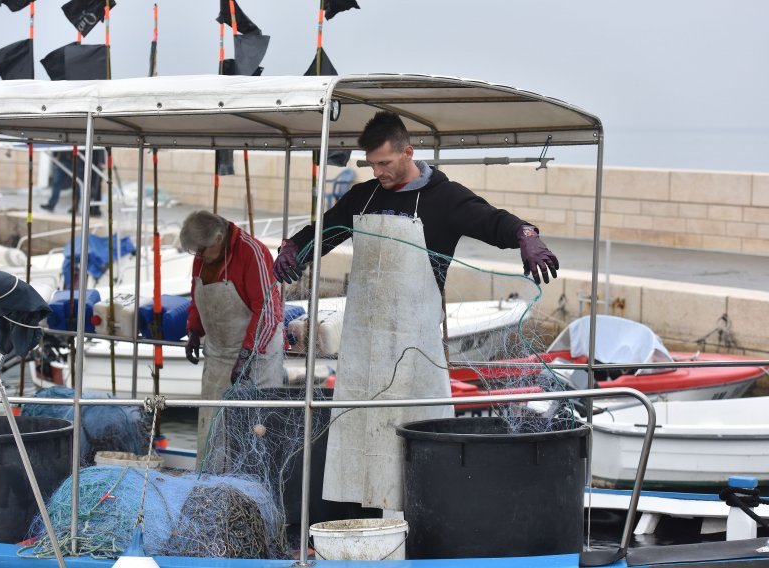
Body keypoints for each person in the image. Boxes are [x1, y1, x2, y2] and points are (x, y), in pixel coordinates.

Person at [273, 111, 559, 513]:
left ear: (408, 152)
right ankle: (364, 524)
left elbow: (493, 220)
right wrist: (294, 249)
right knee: (360, 444)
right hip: (363, 351)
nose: (378, 171)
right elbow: (326, 232)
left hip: (414, 351)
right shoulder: (365, 196)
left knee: (410, 447)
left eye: (385, 163)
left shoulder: (446, 198)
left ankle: (414, 523)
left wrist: (526, 236)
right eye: (371, 164)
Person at [180, 210, 284, 469]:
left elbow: (268, 311)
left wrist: (248, 354)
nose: (199, 257)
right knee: (211, 431)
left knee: (252, 432)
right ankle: (210, 487)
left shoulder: (253, 253)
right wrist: (194, 330)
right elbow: (198, 295)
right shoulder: (203, 257)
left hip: (257, 357)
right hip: (218, 355)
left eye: (202, 251)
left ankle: (253, 492)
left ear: (217, 239)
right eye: (196, 253)